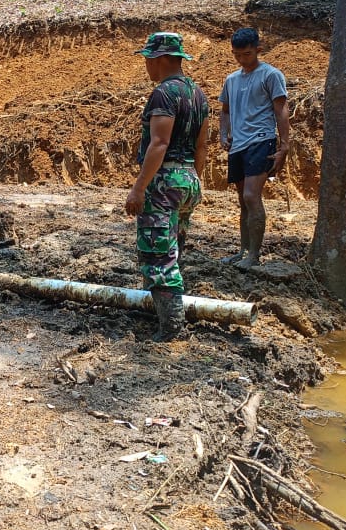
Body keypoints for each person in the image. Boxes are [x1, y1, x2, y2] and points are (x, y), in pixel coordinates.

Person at [124, 32, 209, 342]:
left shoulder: (163, 94)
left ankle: (171, 328)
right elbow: (202, 147)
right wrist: (194, 180)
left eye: (148, 59)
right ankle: (165, 312)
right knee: (174, 248)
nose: (146, 65)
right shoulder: (198, 94)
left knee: (158, 256)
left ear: (160, 60)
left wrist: (139, 188)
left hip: (165, 182)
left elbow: (159, 143)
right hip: (188, 179)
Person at [218, 27, 290, 269]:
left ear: (258, 50)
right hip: (237, 143)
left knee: (251, 196)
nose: (241, 59)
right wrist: (223, 133)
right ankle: (243, 250)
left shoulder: (271, 75)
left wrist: (285, 144)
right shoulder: (230, 79)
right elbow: (225, 111)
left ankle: (254, 255)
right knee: (242, 199)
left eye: (246, 54)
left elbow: (281, 109)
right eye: (236, 54)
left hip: (261, 139)